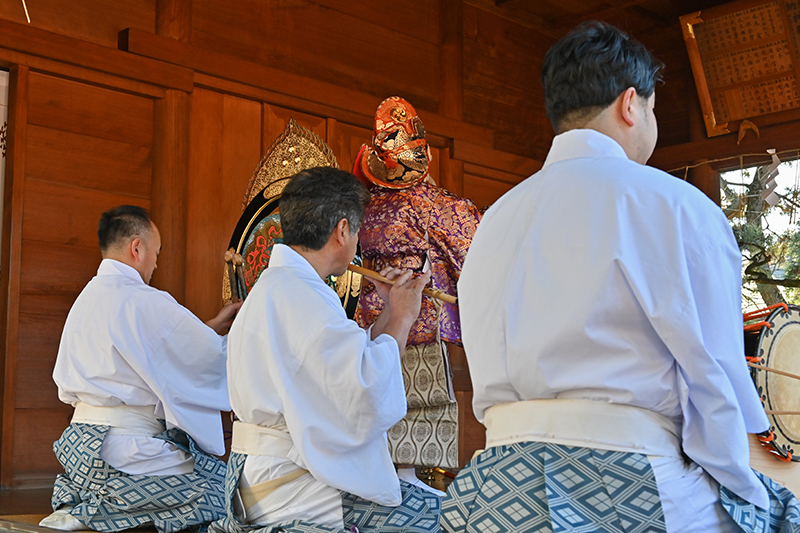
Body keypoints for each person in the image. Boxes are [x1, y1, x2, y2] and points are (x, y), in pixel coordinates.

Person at [442, 21, 800, 533]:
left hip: (494, 487)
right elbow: (713, 376)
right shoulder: (675, 206)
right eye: (653, 109)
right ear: (630, 104)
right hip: (620, 479)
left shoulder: (496, 217)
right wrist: (744, 486)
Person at [210, 166, 442, 533]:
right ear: (342, 231)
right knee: (444, 517)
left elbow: (349, 363)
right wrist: (402, 317)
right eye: (358, 231)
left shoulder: (286, 286)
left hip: (272, 472)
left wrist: (388, 312)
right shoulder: (300, 295)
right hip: (291, 483)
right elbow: (363, 390)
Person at [41, 205, 241, 533]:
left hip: (79, 449)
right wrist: (243, 334)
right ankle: (101, 508)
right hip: (123, 451)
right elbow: (207, 361)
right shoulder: (143, 300)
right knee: (227, 493)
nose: (156, 263)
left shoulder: (86, 299)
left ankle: (86, 501)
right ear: (137, 248)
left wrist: (210, 328)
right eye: (157, 252)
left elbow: (148, 355)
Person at [353, 96, 481, 475]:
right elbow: (474, 258)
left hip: (371, 330)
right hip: (420, 328)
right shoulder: (437, 206)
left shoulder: (365, 208)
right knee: (417, 429)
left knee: (377, 423)